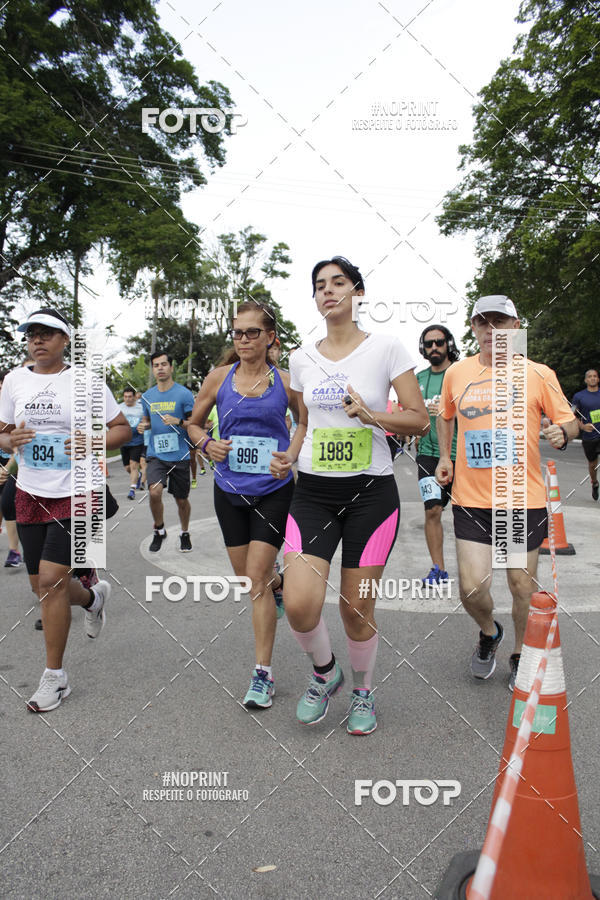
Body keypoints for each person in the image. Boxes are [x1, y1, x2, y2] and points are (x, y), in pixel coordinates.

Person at [270, 256, 429, 735]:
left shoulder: (386, 348)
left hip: (370, 496)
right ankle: (325, 673)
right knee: (298, 604)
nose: (328, 291)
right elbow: (303, 420)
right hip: (313, 493)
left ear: (357, 292)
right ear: (315, 298)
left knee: (357, 610)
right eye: (320, 285)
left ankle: (363, 691)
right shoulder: (301, 357)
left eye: (339, 282)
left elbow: (419, 419)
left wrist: (371, 415)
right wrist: (290, 454)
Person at [435, 295, 579, 691]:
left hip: (520, 500)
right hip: (472, 501)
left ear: (516, 328)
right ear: (473, 328)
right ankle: (488, 632)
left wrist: (561, 432)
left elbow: (570, 422)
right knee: (472, 587)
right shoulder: (457, 374)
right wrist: (445, 457)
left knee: (520, 583)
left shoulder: (538, 373)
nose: (491, 331)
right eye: (483, 323)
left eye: (500, 323)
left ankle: (519, 653)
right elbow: (445, 416)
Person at [0, 308, 130, 711]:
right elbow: (4, 433)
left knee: (54, 579)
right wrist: (10, 441)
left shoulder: (86, 381)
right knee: (41, 586)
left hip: (81, 492)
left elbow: (122, 430)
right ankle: (93, 600)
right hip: (31, 490)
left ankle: (54, 678)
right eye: (32, 334)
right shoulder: (14, 380)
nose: (37, 340)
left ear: (65, 340)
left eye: (47, 334)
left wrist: (94, 442)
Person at [188, 301, 296, 709]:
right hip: (228, 489)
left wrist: (292, 456)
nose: (245, 339)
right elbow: (194, 423)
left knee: (254, 578)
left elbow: (307, 424)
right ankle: (279, 584)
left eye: (253, 332)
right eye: (238, 333)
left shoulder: (285, 381)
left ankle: (263, 674)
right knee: (249, 577)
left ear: (271, 338)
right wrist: (206, 443)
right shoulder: (219, 378)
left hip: (273, 489)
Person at [415, 325, 459, 585]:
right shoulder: (418, 379)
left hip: (461, 455)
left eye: (439, 343)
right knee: (432, 510)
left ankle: (473, 566)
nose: (434, 348)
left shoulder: (461, 374)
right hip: (428, 455)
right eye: (429, 344)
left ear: (448, 344)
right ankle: (438, 569)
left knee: (466, 512)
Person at [139, 351, 195, 552]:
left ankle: (185, 532)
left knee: (181, 500)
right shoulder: (147, 396)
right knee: (154, 492)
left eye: (164, 364)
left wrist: (178, 421)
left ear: (171, 367)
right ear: (153, 369)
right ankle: (159, 529)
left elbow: (194, 424)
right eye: (156, 365)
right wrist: (143, 426)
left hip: (179, 454)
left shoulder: (184, 394)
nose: (160, 368)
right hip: (156, 454)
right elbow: (146, 421)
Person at [571, 369, 600, 500]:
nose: (593, 378)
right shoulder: (579, 396)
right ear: (586, 380)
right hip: (589, 436)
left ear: (598, 379)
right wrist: (582, 426)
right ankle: (594, 483)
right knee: (593, 464)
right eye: (590, 376)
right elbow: (571, 414)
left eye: (595, 376)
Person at [119, 386, 147, 499]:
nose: (128, 399)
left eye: (130, 396)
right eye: (125, 397)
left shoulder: (140, 408)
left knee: (134, 465)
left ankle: (132, 490)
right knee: (128, 468)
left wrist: (144, 426)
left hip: (137, 441)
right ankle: (138, 476)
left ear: (135, 397)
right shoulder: (118, 408)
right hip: (124, 442)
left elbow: (146, 421)